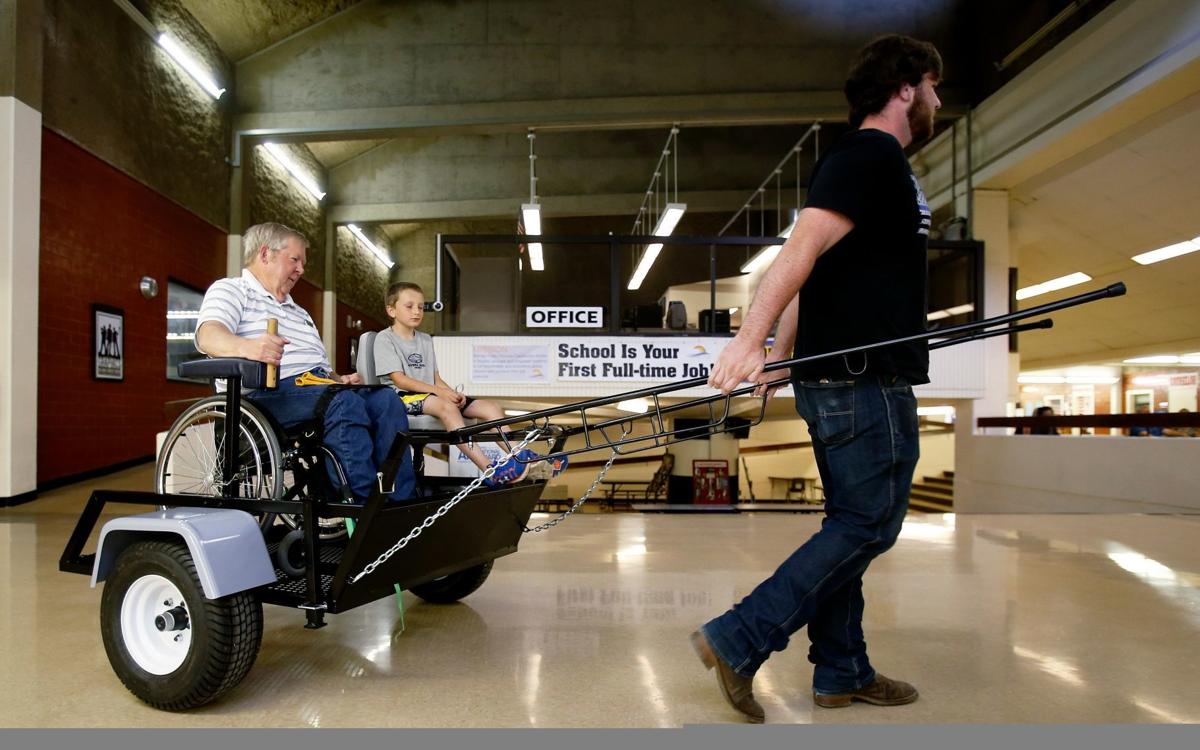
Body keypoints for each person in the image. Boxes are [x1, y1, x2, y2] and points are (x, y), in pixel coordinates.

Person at [693, 34, 942, 723]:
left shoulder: (869, 163)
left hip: (840, 376)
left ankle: (841, 669)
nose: (937, 99)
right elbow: (799, 249)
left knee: (848, 525)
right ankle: (739, 637)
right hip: (864, 380)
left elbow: (820, 269)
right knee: (869, 524)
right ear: (906, 87)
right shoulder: (871, 155)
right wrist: (749, 339)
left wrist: (780, 352)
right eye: (933, 86)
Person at [195, 222, 414, 502]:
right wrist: (249, 347)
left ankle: (400, 502)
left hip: (315, 389)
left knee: (386, 400)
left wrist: (339, 379)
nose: (300, 269)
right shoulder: (232, 290)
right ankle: (362, 506)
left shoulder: (299, 313)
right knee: (342, 403)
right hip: (262, 396)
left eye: (302, 263)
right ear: (265, 254)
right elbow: (207, 336)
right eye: (294, 260)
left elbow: (320, 370)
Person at [374, 282, 566, 487]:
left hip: (431, 394)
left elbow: (435, 377)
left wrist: (451, 393)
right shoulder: (384, 339)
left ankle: (520, 457)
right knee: (446, 407)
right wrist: (441, 393)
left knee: (490, 407)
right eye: (409, 306)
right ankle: (490, 470)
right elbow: (400, 380)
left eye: (421, 307)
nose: (416, 311)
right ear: (391, 310)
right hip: (401, 397)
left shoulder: (425, 339)